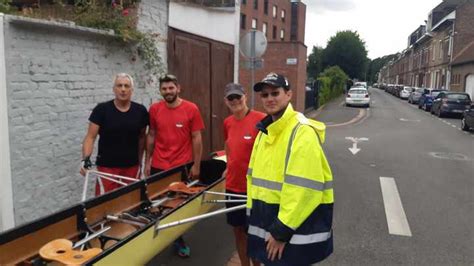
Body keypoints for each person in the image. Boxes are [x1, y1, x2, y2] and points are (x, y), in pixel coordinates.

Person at [246, 73, 334, 265]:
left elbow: (304, 189)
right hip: (269, 223)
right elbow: (254, 179)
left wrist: (281, 232)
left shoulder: (301, 132)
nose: (269, 99)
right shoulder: (266, 131)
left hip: (289, 230)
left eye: (275, 93)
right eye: (265, 95)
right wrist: (251, 216)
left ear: (289, 95)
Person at [145, 74, 204, 258]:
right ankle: (156, 240)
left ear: (178, 88)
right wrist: (147, 161)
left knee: (177, 206)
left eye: (171, 88)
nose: (168, 91)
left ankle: (178, 239)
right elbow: (152, 135)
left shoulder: (191, 108)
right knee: (156, 205)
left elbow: (196, 137)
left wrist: (196, 164)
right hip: (159, 165)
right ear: (160, 90)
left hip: (181, 166)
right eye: (164, 89)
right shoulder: (155, 109)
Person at [80, 73, 148, 196]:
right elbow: (90, 137)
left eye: (126, 86)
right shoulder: (101, 110)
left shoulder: (140, 111)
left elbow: (142, 137)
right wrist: (85, 160)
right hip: (107, 168)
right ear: (114, 89)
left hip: (132, 167)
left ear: (131, 90)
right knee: (105, 205)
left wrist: (140, 162)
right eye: (119, 85)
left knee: (131, 203)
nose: (123, 89)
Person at [222, 83, 265, 266]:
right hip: (232, 187)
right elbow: (228, 144)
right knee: (238, 232)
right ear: (226, 101)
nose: (235, 101)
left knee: (254, 234)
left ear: (245, 96)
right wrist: (228, 164)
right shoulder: (227, 122)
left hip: (254, 189)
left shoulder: (261, 120)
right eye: (231, 98)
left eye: (238, 97)